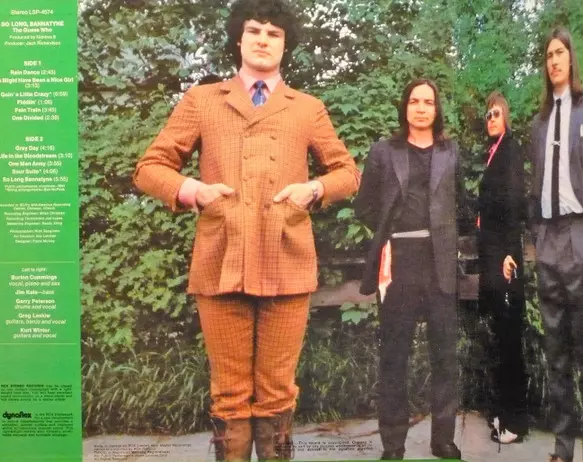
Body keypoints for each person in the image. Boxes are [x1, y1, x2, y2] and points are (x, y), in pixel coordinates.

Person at [133, 0, 360, 459]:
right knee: (230, 395)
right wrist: (194, 190)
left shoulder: (307, 108)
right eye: (254, 30)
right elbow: (149, 168)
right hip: (221, 259)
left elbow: (348, 173)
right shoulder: (203, 100)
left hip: (287, 260)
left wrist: (314, 188)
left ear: (285, 45)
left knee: (277, 393)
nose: (263, 40)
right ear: (239, 38)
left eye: (274, 33)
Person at [354, 79, 463, 460]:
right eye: (414, 101)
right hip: (399, 262)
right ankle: (393, 444)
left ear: (436, 109)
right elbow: (364, 206)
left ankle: (443, 439)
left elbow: (460, 205)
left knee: (445, 356)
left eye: (427, 102)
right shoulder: (384, 151)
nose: (420, 108)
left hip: (440, 264)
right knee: (394, 357)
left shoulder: (451, 152)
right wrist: (389, 235)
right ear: (405, 107)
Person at [529, 26, 583, 462]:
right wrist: (536, 234)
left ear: (571, 58)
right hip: (547, 237)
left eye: (559, 52)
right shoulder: (539, 123)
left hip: (580, 232)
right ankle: (563, 448)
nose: (554, 61)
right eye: (548, 55)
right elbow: (535, 186)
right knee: (556, 350)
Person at [477, 91, 528, 444]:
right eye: (488, 115)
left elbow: (514, 202)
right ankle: (503, 412)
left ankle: (515, 423)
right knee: (500, 335)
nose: (491, 119)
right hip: (492, 253)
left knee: (510, 339)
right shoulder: (493, 152)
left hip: (505, 257)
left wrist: (509, 254)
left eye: (496, 113)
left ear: (506, 117)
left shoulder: (510, 150)